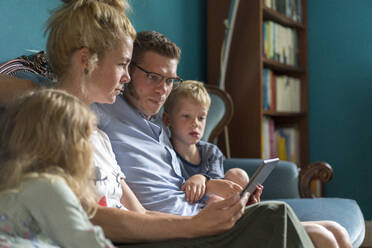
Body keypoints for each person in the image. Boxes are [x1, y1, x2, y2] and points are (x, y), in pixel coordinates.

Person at [0, 1, 316, 247]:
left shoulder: (99, 137)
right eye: (123, 65)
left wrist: (204, 219)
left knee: (271, 218)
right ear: (86, 60)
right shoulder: (48, 126)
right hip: (115, 241)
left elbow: (139, 213)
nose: (126, 77)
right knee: (275, 217)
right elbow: (85, 216)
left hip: (151, 233)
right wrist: (193, 226)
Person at [93, 31, 352, 248]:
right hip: (176, 228)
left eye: (170, 80)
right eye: (153, 77)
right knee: (322, 237)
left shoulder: (162, 122)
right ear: (128, 71)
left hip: (201, 215)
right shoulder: (103, 110)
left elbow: (189, 173)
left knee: (335, 231)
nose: (163, 90)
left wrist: (216, 188)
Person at [0, 89, 114, 247]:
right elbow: (86, 243)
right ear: (73, 147)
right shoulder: (48, 186)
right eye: (86, 138)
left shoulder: (19, 185)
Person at [162, 80, 250, 203]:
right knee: (214, 200)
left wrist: (202, 178)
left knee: (238, 174)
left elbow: (218, 183)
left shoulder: (211, 152)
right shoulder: (165, 152)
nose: (195, 124)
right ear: (167, 120)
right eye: (186, 116)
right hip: (189, 205)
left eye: (201, 118)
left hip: (215, 199)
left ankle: (246, 204)